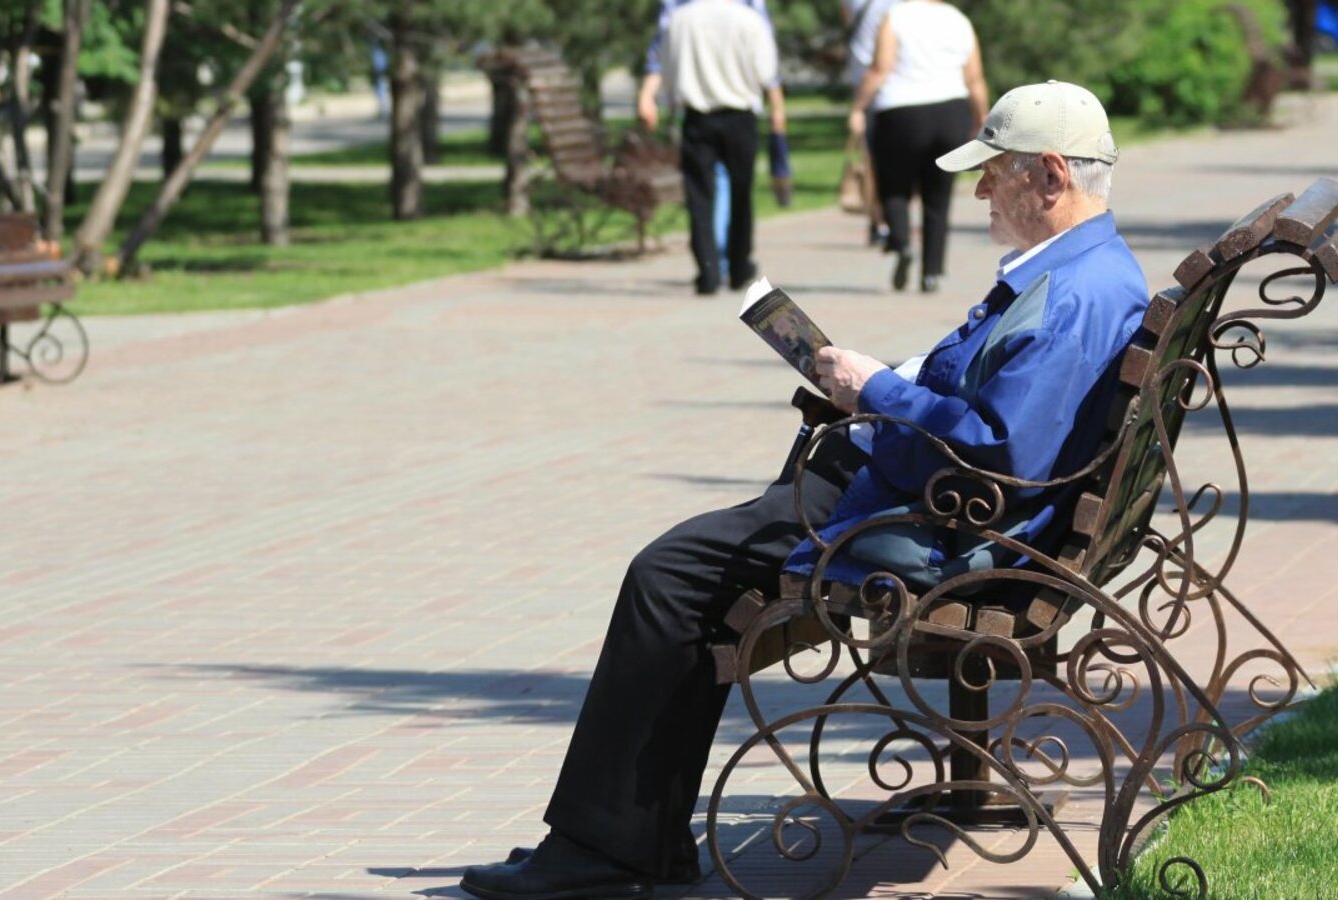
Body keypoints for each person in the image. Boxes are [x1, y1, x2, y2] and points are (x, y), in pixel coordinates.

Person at [456, 80, 1146, 900]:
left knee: (667, 576)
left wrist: (875, 391)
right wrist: (883, 388)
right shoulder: (1090, 271)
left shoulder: (1068, 295)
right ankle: (636, 840)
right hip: (924, 500)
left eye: (993, 172)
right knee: (695, 574)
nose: (980, 191)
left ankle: (605, 848)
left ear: (1051, 175)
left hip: (919, 525)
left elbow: (999, 452)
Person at [849, 0, 989, 294]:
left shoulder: (896, 17)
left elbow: (880, 68)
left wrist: (859, 107)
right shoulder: (958, 20)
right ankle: (931, 272)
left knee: (894, 186)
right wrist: (981, 117)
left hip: (901, 111)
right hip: (951, 111)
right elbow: (974, 78)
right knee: (938, 195)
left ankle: (901, 243)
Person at [652, 0, 786, 296]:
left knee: (699, 196)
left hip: (696, 117)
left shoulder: (679, 20)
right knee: (741, 193)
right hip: (739, 115)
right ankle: (739, 265)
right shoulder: (748, 19)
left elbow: (667, 67)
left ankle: (707, 271)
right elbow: (766, 71)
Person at [841, 0, 899, 246]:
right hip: (896, 83)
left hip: (865, 82)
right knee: (893, 160)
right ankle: (890, 220)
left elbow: (848, 25)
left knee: (871, 159)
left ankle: (879, 221)